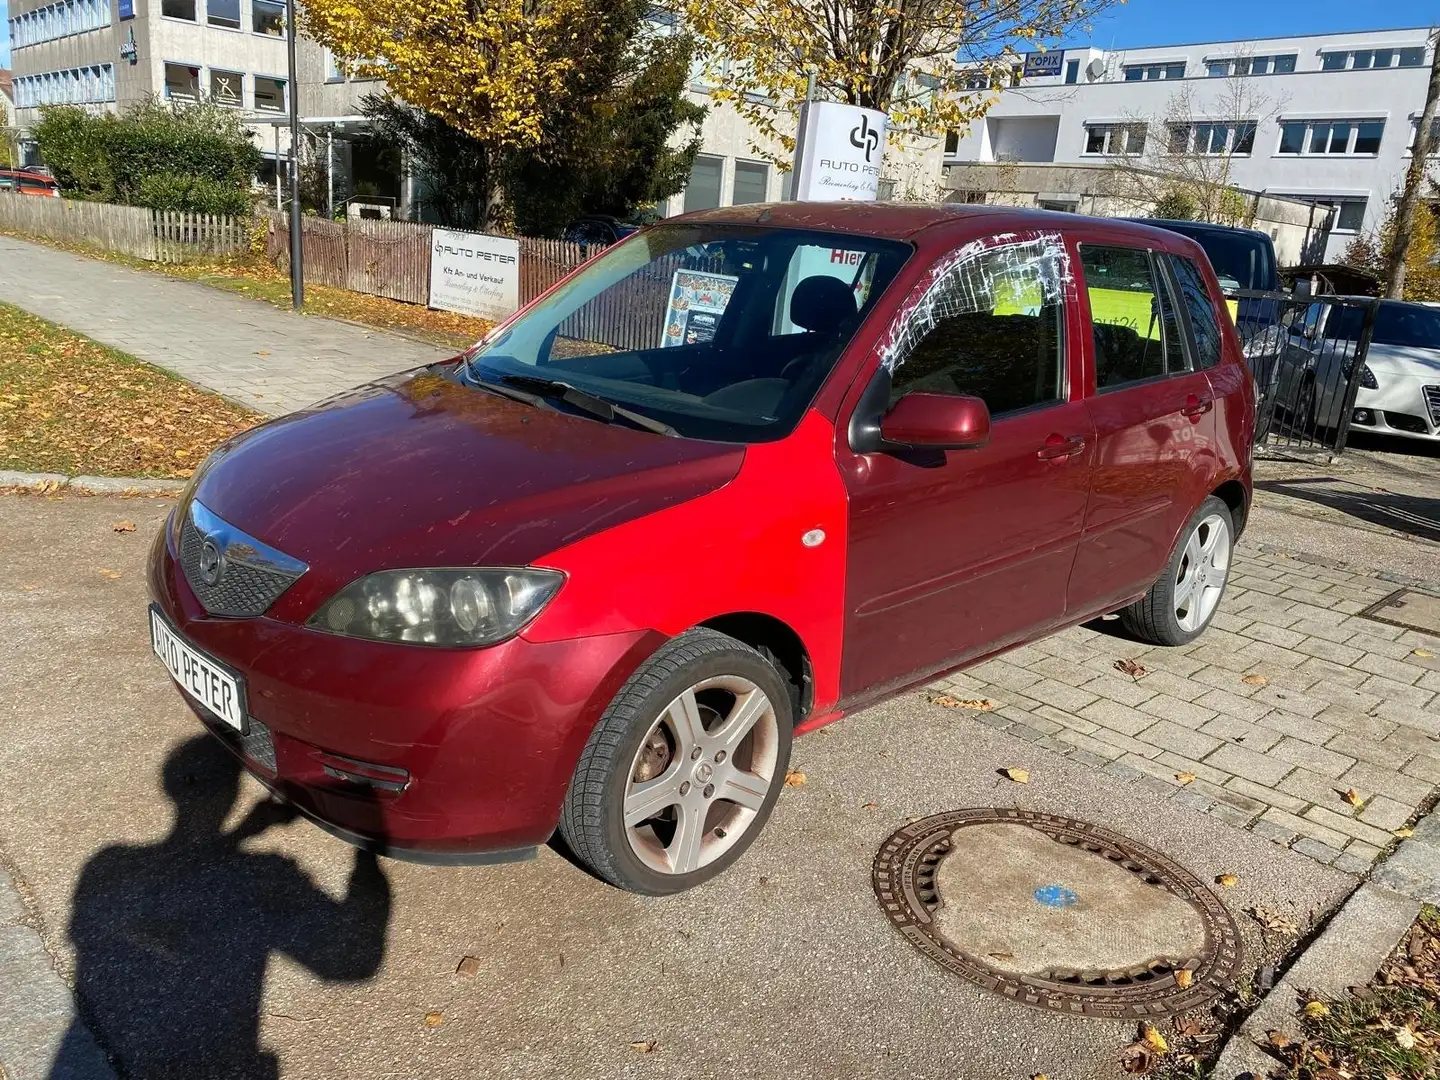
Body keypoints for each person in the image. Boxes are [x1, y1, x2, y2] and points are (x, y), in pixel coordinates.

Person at [52, 735, 392, 1079]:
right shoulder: (266, 875)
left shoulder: (108, 865)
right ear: (231, 796)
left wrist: (241, 834)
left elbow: (172, 878)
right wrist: (366, 849)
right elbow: (352, 964)